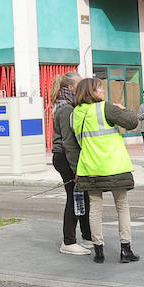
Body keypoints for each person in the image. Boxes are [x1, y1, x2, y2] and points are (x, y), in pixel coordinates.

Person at [67, 77, 139, 264]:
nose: (103, 91)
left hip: (90, 168)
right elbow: (132, 122)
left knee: (95, 209)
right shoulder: (105, 108)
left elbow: (74, 145)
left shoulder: (75, 113)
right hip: (114, 165)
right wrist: (124, 110)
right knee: (122, 206)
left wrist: (76, 170)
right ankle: (125, 249)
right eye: (99, 88)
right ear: (91, 91)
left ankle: (99, 251)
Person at [50, 73, 93, 255]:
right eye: (81, 84)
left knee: (82, 196)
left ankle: (87, 237)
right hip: (65, 158)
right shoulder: (67, 109)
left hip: (65, 157)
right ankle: (68, 241)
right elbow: (69, 142)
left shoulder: (66, 105)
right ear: (72, 87)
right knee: (75, 197)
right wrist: (77, 170)